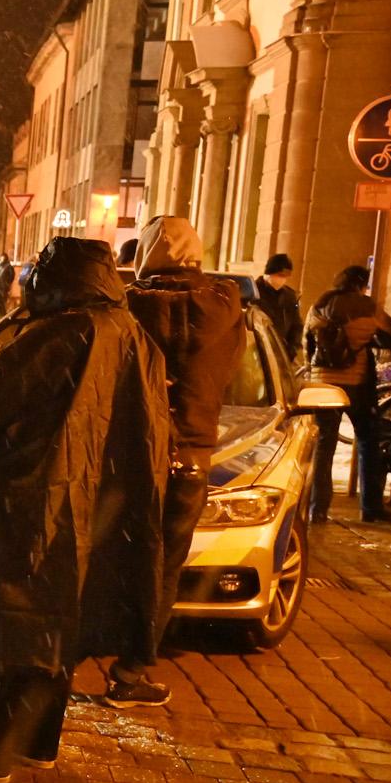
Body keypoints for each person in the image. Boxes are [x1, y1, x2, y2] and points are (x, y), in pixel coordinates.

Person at [0, 236, 169, 783]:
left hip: (30, 497)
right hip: (93, 506)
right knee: (58, 624)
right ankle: (37, 742)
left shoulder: (59, 332)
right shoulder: (131, 333)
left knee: (6, 623)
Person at [104, 216, 244, 707]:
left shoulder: (128, 305)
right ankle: (129, 671)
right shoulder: (225, 306)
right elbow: (228, 368)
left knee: (107, 549)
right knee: (164, 563)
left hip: (130, 446)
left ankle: (74, 649)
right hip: (191, 449)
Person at [306, 264, 391, 523]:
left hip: (323, 385)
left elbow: (306, 343)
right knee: (368, 441)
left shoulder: (319, 304)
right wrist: (370, 338)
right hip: (357, 383)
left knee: (323, 446)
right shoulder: (367, 306)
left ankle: (318, 508)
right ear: (361, 284)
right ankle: (371, 507)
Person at [254, 253, 301, 361]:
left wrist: (292, 348)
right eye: (280, 275)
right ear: (270, 272)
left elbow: (296, 324)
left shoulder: (289, 296)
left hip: (280, 353)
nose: (282, 279)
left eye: (285, 276)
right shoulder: (254, 292)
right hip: (257, 351)